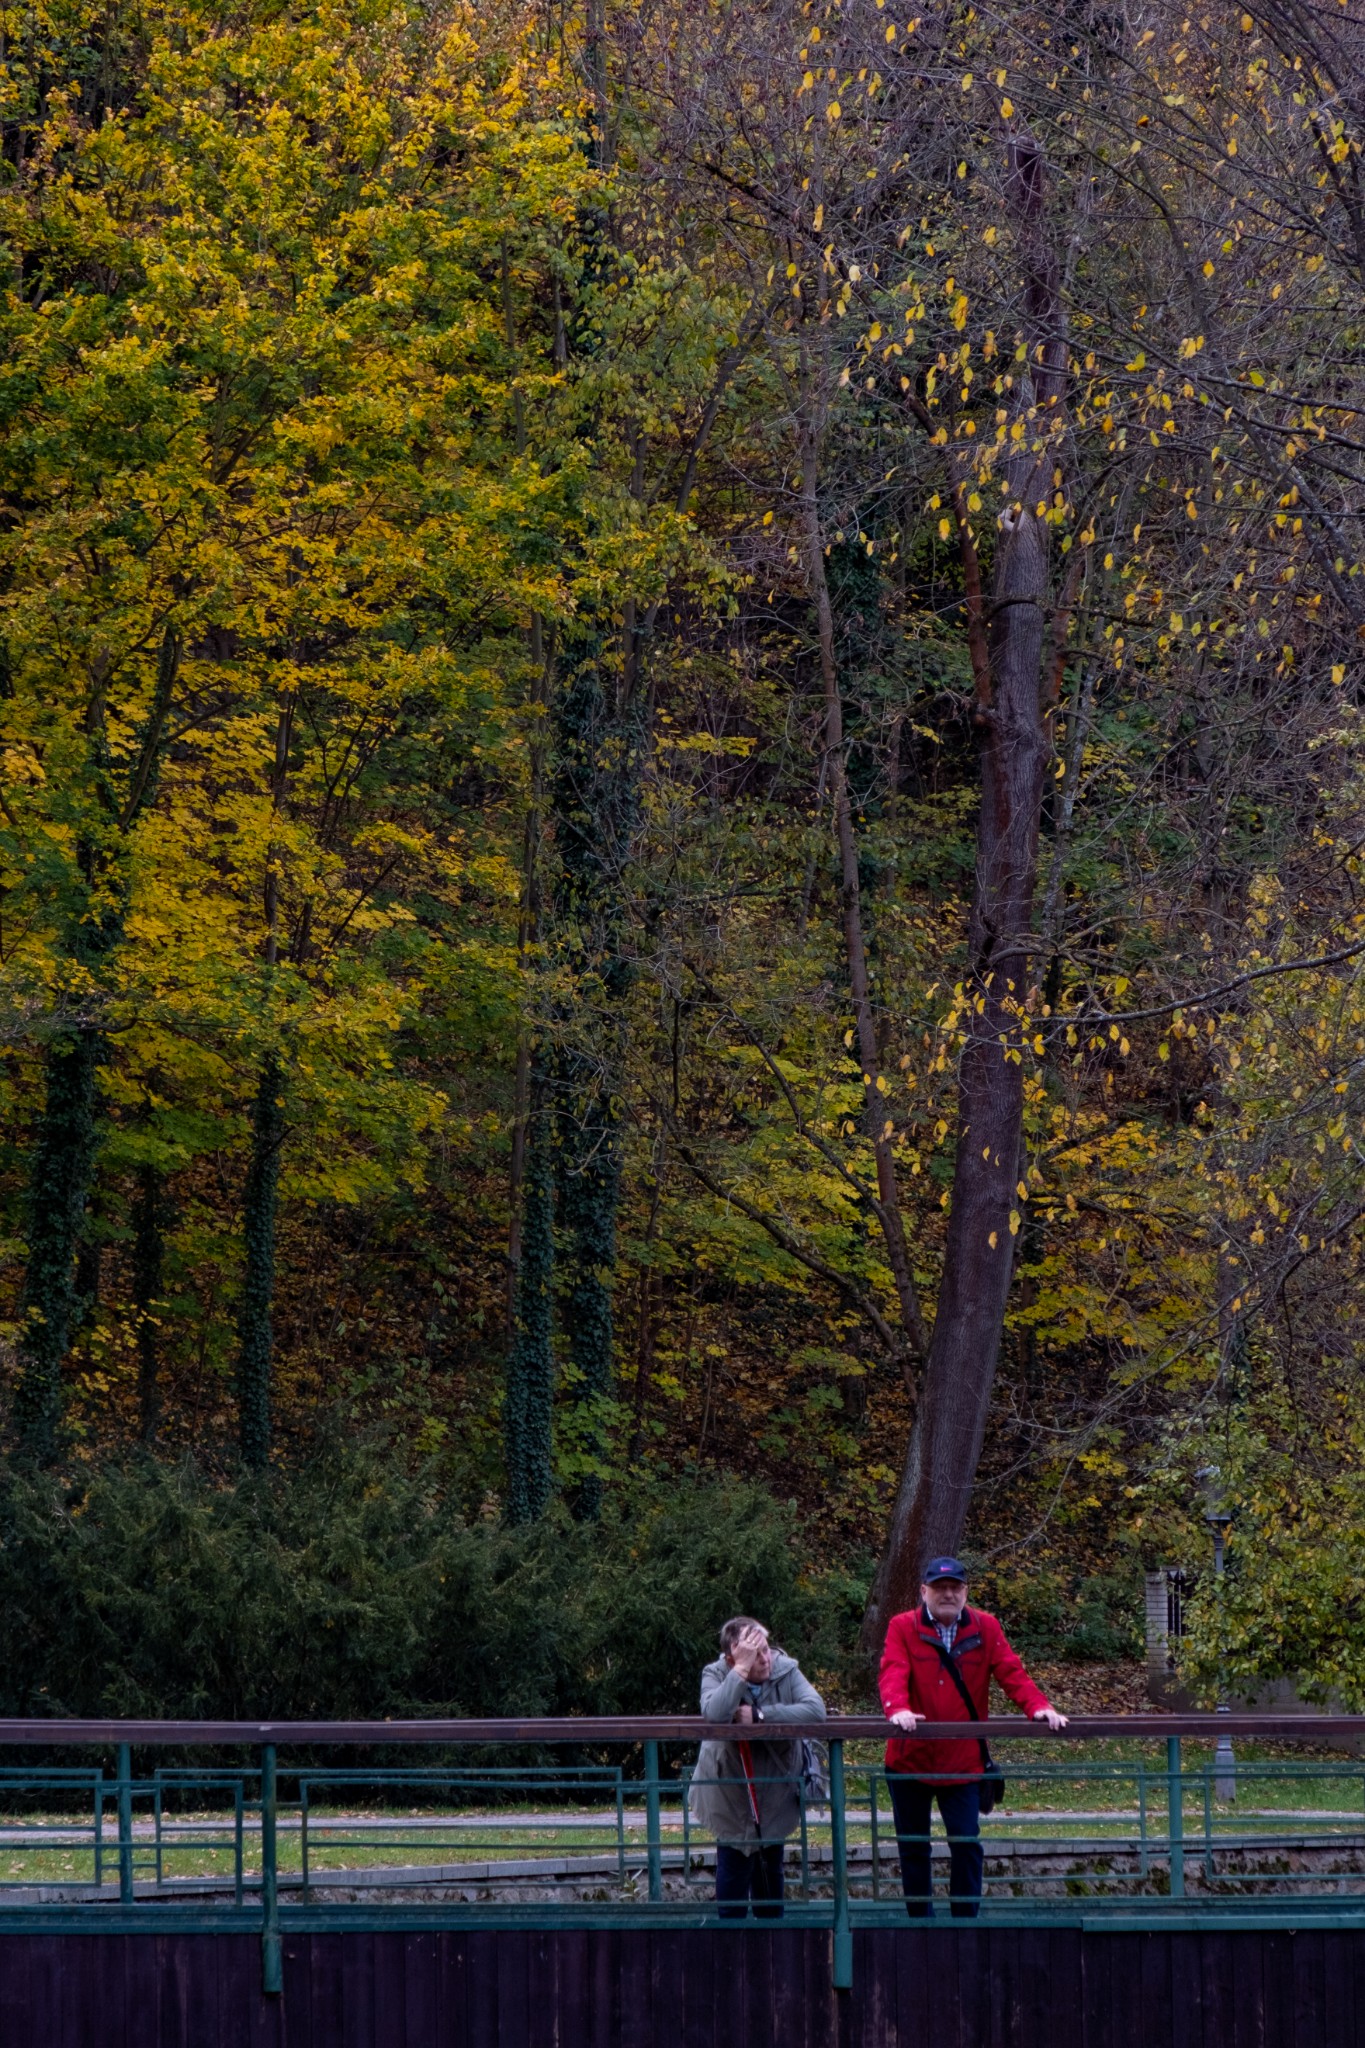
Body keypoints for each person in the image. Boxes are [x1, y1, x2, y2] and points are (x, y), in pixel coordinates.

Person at [878, 1556, 1067, 1919]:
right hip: (908, 1759)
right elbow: (893, 1671)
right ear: (923, 1591)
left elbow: (1012, 1672)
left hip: (963, 1762)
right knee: (913, 1847)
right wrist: (897, 1708)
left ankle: (964, 1925)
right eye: (939, 1587)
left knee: (966, 1844)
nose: (947, 1594)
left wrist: (1038, 1707)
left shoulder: (985, 1627)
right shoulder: (902, 1626)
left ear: (965, 1592)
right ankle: (922, 1925)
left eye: (954, 1588)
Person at [689, 1615, 826, 1918]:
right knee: (733, 1869)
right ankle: (730, 1949)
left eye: (766, 1649)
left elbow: (816, 1711)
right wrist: (738, 1671)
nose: (766, 1660)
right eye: (754, 1654)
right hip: (729, 1792)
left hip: (775, 1790)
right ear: (731, 1657)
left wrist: (762, 1717)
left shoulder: (785, 1669)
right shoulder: (716, 1672)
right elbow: (714, 1714)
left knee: (770, 1871)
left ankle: (771, 1950)